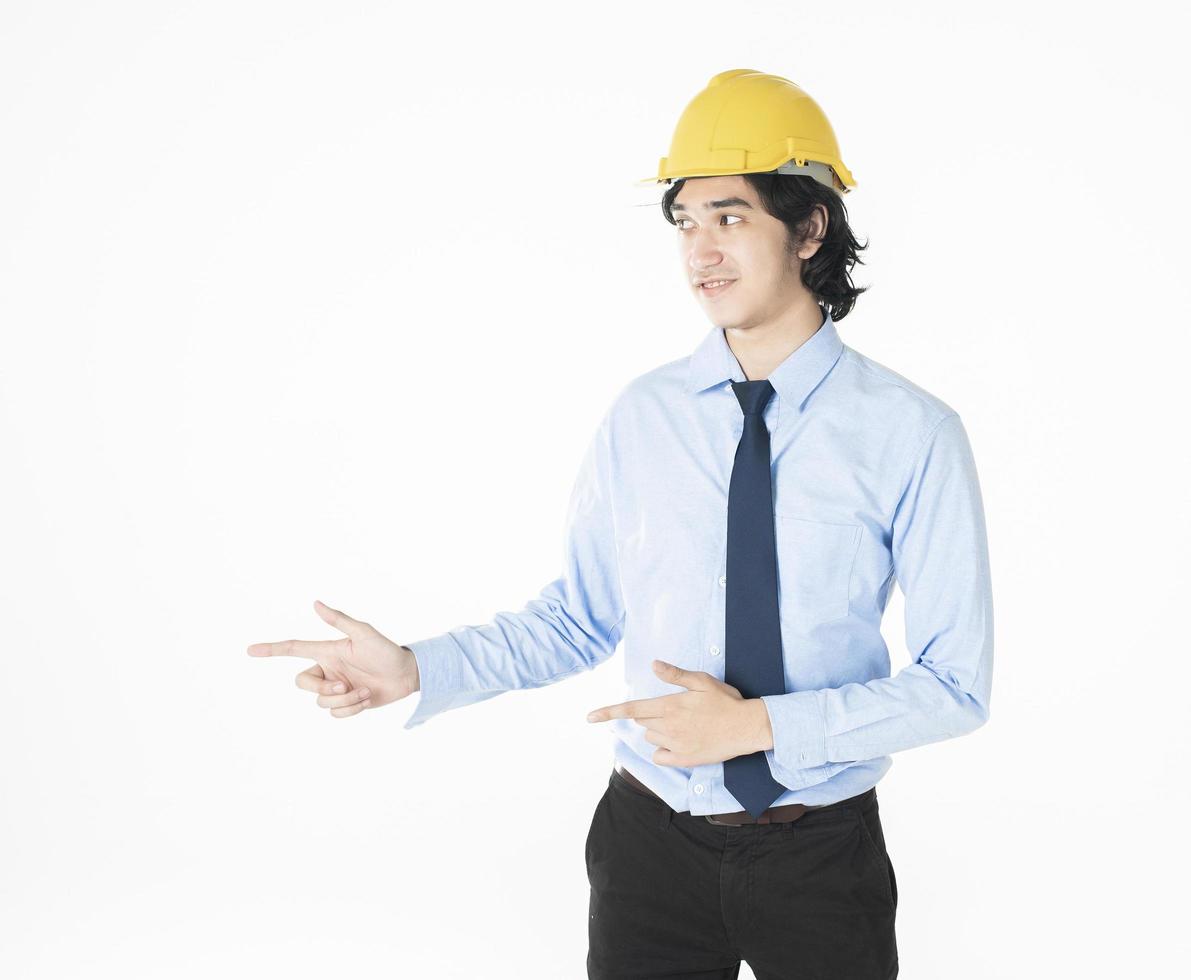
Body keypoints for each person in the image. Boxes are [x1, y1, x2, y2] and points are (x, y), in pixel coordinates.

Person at [246, 68, 994, 980]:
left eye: (730, 217)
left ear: (809, 228)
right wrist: (416, 668)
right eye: (685, 222)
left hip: (819, 858)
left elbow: (956, 685)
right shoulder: (644, 416)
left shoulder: (912, 433)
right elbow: (579, 617)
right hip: (648, 849)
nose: (700, 253)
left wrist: (762, 728)